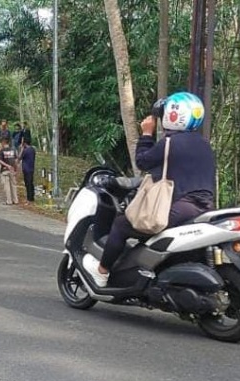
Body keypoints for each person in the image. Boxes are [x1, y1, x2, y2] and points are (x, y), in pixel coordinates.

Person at [83, 92, 216, 287]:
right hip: (204, 207)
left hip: (181, 206)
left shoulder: (170, 143)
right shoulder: (205, 145)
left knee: (121, 224)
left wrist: (146, 133)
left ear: (173, 115)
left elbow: (142, 161)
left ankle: (102, 272)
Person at [0, 137, 19, 205]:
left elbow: (0, 160)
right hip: (12, 170)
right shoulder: (13, 150)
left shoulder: (1, 151)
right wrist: (16, 169)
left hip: (4, 170)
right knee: (13, 185)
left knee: (7, 186)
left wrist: (7, 166)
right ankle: (15, 200)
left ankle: (9, 201)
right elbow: (16, 160)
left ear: (3, 142)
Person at [19, 137, 36, 205]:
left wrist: (21, 149)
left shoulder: (25, 150)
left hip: (26, 169)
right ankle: (31, 198)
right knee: (31, 184)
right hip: (31, 168)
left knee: (28, 184)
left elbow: (19, 157)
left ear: (25, 143)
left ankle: (29, 199)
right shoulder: (32, 149)